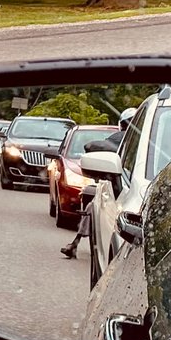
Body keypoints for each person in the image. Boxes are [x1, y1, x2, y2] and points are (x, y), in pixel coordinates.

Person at [60, 110, 135, 259]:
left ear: (122, 124)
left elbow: (90, 146)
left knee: (92, 205)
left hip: (128, 189)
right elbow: (92, 147)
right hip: (123, 187)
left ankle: (75, 244)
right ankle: (75, 244)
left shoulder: (125, 139)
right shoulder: (126, 140)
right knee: (92, 205)